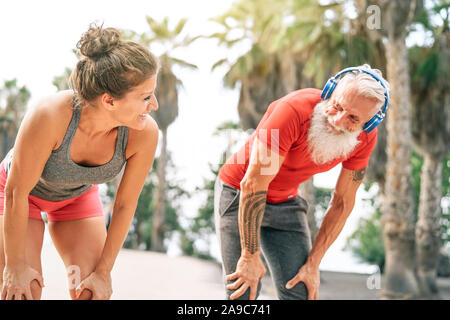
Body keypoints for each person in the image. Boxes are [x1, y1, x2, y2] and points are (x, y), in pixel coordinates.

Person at [0, 23, 159, 300]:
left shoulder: (142, 134)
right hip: (18, 195)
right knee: (23, 291)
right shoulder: (50, 115)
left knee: (90, 291)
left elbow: (124, 204)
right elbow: (16, 192)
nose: (154, 104)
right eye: (146, 97)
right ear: (109, 101)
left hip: (76, 199)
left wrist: (104, 272)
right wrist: (14, 267)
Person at [214, 64, 390, 300]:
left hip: (286, 202)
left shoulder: (365, 139)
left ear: (368, 123)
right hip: (239, 191)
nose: (338, 121)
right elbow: (254, 184)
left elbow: (342, 203)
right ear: (329, 91)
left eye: (353, 118)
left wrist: (313, 264)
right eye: (337, 106)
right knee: (242, 293)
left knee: (302, 291)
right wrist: (249, 256)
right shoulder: (290, 110)